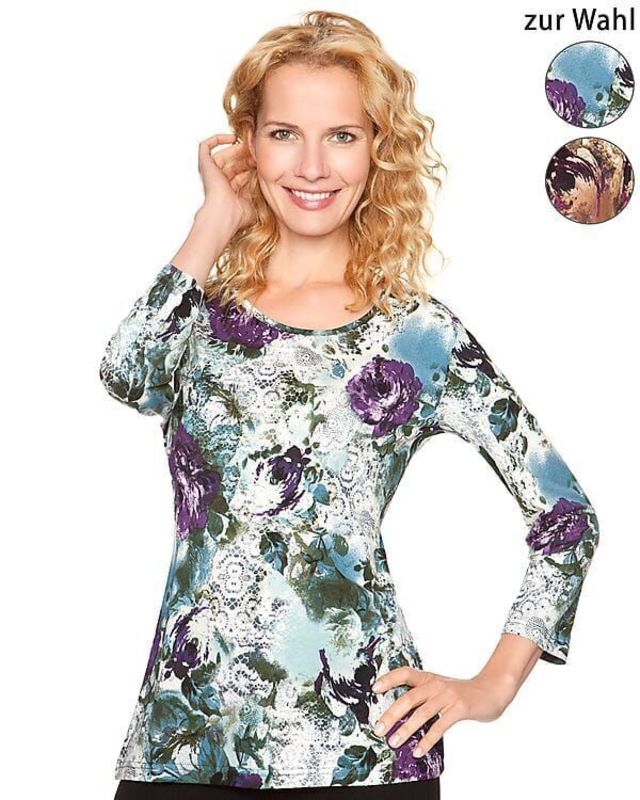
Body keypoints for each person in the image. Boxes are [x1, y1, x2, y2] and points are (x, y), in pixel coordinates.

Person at [99, 10, 600, 800]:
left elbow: (566, 515)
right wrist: (213, 221)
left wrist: (492, 686)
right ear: (249, 144)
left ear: (377, 148)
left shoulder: (417, 334)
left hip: (362, 756)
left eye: (341, 135)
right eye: (284, 134)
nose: (311, 165)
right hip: (183, 741)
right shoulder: (200, 313)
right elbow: (127, 374)